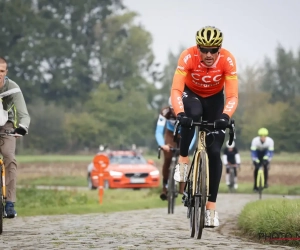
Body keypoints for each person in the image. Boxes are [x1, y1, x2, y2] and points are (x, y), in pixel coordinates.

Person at [170, 26, 238, 227]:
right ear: (197, 47)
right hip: (191, 96)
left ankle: (211, 208)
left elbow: (232, 95)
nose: (208, 54)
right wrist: (180, 114)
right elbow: (176, 89)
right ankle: (183, 160)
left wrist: (225, 116)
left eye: (213, 50)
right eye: (204, 49)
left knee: (215, 151)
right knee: (192, 115)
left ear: (220, 49)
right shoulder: (187, 56)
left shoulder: (227, 60)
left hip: (215, 100)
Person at [0, 57, 30, 218]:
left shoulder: (12, 88)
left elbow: (24, 114)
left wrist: (22, 128)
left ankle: (10, 203)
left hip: (7, 127)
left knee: (9, 158)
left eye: (1, 71)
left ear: (6, 72)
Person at [155, 97, 196, 200]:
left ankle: (183, 186)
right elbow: (159, 131)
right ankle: (165, 187)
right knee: (168, 157)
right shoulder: (165, 112)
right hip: (170, 134)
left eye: (177, 108)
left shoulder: (187, 112)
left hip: (184, 133)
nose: (175, 111)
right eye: (173, 109)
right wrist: (163, 145)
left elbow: (194, 133)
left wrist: (187, 148)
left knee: (183, 158)